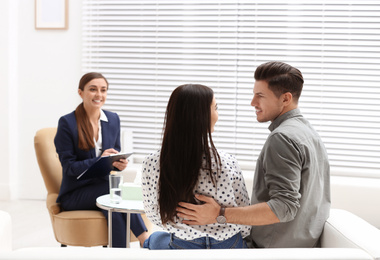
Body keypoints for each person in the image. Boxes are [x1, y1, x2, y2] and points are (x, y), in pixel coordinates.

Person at [176, 62, 331, 248]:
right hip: (301, 246)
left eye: (260, 96)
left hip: (270, 250)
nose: (253, 102)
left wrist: (219, 213)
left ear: (285, 98)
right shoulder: (309, 132)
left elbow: (284, 207)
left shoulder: (282, 138)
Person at [141, 84, 251, 249]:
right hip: (230, 245)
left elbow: (155, 215)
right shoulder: (228, 162)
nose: (218, 114)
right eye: (216, 108)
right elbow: (244, 214)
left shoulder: (153, 163)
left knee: (152, 239)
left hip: (182, 245)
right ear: (201, 116)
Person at [54, 72, 149, 247]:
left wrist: (119, 164)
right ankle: (145, 239)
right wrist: (99, 160)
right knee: (113, 190)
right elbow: (69, 167)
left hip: (102, 189)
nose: (99, 95)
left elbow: (115, 152)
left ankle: (118, 254)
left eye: (103, 90)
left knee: (114, 209)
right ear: (80, 92)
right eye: (93, 89)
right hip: (75, 194)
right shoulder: (67, 123)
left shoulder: (112, 119)